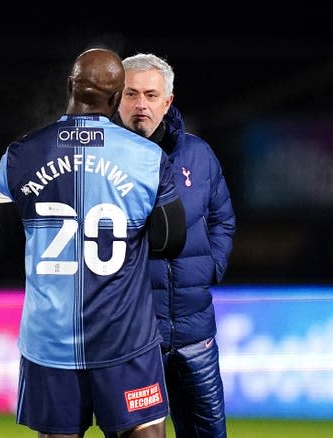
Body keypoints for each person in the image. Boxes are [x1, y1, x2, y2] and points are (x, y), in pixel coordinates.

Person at [0, 48, 186, 438]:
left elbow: (9, 244)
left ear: (70, 86)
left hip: (49, 340)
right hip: (124, 338)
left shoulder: (18, 156)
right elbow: (171, 240)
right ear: (117, 100)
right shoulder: (147, 158)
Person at [116, 53, 236, 437]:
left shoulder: (198, 154)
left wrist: (210, 268)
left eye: (151, 95)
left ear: (167, 102)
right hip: (135, 339)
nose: (141, 105)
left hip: (196, 334)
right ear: (117, 99)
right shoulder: (102, 160)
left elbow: (223, 219)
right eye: (131, 94)